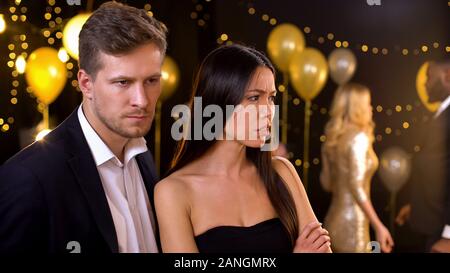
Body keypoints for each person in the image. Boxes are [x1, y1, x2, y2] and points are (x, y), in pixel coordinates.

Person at [0, 2, 167, 253]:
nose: (142, 100)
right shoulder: (28, 177)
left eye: (152, 80)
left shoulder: (142, 156)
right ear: (86, 83)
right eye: (123, 82)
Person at [154, 44, 332, 253]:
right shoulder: (173, 193)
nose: (268, 111)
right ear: (218, 100)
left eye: (271, 98)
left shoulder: (282, 173)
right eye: (254, 98)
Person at [320, 83, 394, 253]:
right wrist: (379, 226)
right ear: (358, 107)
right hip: (353, 226)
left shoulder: (334, 139)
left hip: (332, 221)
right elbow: (356, 186)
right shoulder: (358, 138)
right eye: (368, 103)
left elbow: (327, 184)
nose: (371, 108)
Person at [396, 59, 450, 252]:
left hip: (443, 233)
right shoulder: (441, 113)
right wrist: (416, 207)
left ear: (447, 77)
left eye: (428, 77)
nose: (424, 83)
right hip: (431, 222)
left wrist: (448, 236)